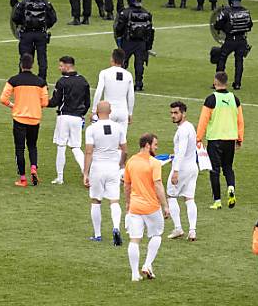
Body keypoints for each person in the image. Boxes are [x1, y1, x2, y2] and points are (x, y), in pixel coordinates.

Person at [125, 133, 170, 281]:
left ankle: (134, 274)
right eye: (155, 144)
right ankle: (147, 264)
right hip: (151, 207)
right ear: (147, 145)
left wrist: (127, 203)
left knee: (134, 240)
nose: (156, 147)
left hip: (135, 207)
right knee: (156, 235)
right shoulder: (154, 163)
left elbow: (127, 185)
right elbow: (158, 185)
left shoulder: (131, 162)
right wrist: (165, 206)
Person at [198, 71, 245, 210]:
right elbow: (240, 120)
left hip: (215, 139)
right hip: (230, 138)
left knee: (214, 170)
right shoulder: (234, 99)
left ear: (215, 81)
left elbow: (203, 120)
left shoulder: (211, 99)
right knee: (228, 167)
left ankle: (217, 201)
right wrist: (240, 137)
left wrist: (198, 138)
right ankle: (231, 187)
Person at [1, 54, 49, 188]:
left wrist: (13, 105)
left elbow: (3, 99)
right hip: (34, 119)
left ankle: (22, 178)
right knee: (32, 146)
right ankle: (33, 167)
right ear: (32, 65)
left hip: (19, 118)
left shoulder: (14, 80)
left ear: (21, 65)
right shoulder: (40, 82)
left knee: (20, 148)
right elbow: (45, 102)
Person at [84, 101, 127, 245]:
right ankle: (116, 227)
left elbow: (89, 152)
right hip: (113, 167)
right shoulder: (118, 127)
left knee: (96, 200)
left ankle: (97, 234)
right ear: (110, 111)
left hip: (97, 167)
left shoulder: (92, 129)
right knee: (114, 200)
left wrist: (85, 173)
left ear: (96, 111)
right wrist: (121, 164)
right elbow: (125, 149)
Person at [162, 101, 200, 243]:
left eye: (176, 113)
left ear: (183, 114)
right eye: (171, 113)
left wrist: (176, 171)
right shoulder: (190, 127)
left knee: (171, 196)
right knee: (189, 198)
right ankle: (192, 231)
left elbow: (182, 151)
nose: (173, 115)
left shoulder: (183, 130)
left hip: (182, 168)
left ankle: (178, 228)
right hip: (192, 167)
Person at [49, 55, 90, 185]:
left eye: (61, 65)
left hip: (64, 117)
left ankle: (60, 177)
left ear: (67, 66)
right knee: (76, 147)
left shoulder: (62, 81)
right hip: (77, 118)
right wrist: (81, 113)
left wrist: (42, 102)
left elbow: (55, 101)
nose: (59, 68)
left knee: (61, 146)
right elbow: (87, 102)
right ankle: (87, 174)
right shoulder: (83, 81)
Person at [11, 0, 57, 82]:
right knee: (42, 59)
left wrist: (21, 24)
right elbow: (53, 19)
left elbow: (15, 18)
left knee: (25, 58)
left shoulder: (23, 3)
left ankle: (22, 80)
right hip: (41, 34)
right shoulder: (46, 3)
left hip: (26, 34)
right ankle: (42, 81)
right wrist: (45, 26)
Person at [212, 0, 253, 89]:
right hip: (242, 40)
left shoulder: (226, 12)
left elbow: (217, 25)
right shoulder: (246, 11)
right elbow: (250, 25)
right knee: (239, 61)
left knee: (222, 59)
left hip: (230, 40)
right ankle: (237, 83)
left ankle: (218, 82)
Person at [115, 0, 154, 91]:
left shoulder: (125, 13)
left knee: (122, 63)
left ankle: (119, 82)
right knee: (139, 64)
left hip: (127, 42)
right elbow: (150, 30)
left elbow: (119, 28)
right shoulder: (146, 13)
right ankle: (138, 84)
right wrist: (148, 46)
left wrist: (119, 39)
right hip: (141, 43)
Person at [92, 48, 135, 131]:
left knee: (107, 140)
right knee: (121, 141)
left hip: (108, 111)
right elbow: (131, 96)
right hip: (123, 111)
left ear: (112, 59)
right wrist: (130, 113)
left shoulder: (104, 73)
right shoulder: (128, 75)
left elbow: (98, 92)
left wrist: (94, 110)